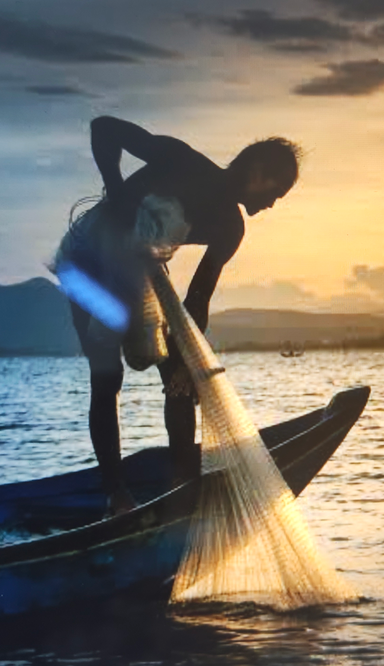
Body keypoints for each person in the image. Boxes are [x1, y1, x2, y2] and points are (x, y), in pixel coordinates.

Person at [57, 115, 301, 516]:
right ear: (257, 172)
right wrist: (117, 194)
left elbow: (198, 298)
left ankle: (184, 490)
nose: (273, 202)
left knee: (179, 378)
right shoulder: (181, 160)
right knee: (107, 377)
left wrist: (189, 360)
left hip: (138, 268)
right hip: (86, 261)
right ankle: (116, 497)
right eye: (276, 191)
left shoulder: (230, 227)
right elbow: (104, 128)